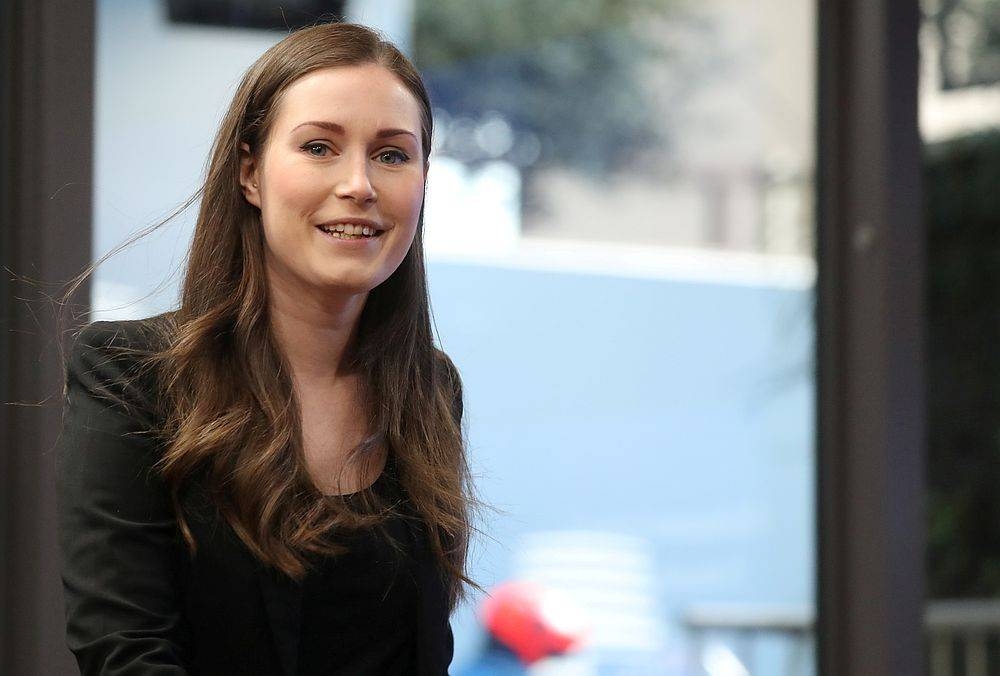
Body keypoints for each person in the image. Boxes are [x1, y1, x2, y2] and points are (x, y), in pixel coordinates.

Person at [54, 22, 476, 675]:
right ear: (249, 172)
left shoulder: (430, 388)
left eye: (392, 155)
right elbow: (126, 655)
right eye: (319, 147)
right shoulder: (133, 375)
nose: (360, 184)